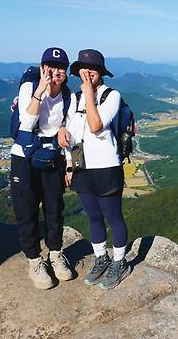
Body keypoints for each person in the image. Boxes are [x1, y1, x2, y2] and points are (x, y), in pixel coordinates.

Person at [59, 49, 130, 290]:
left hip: (107, 167)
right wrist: (69, 165)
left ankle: (120, 263)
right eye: (84, 69)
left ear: (101, 72)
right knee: (94, 217)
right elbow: (72, 135)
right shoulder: (74, 99)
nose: (88, 73)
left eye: (93, 69)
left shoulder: (112, 95)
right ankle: (101, 258)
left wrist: (89, 93)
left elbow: (96, 125)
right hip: (82, 168)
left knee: (113, 217)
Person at [10, 47, 74, 289]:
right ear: (41, 67)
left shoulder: (68, 96)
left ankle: (55, 254)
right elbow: (26, 125)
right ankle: (35, 260)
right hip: (24, 157)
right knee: (26, 209)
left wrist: (69, 163)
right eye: (50, 66)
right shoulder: (29, 87)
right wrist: (40, 91)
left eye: (60, 68)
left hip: (51, 158)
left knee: (54, 208)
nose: (55, 72)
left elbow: (67, 131)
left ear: (66, 72)